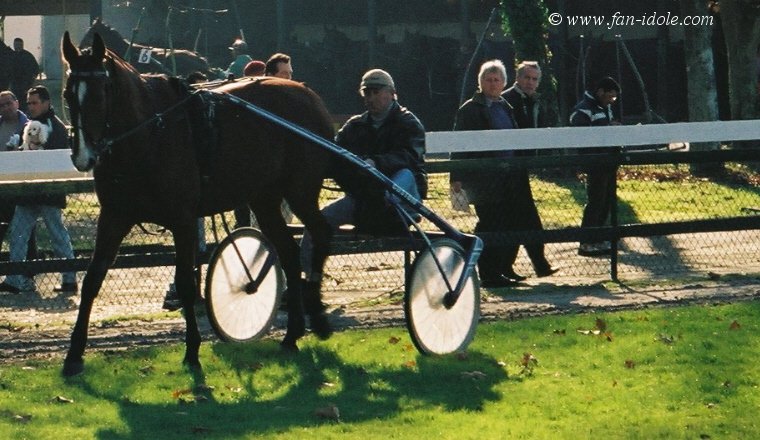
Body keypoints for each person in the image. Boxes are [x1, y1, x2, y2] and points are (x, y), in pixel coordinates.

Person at [300, 68, 427, 281]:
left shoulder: (408, 122)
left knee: (404, 174)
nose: (371, 97)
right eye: (366, 92)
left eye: (376, 91)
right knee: (317, 223)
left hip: (403, 195)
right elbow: (335, 154)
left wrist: (375, 162)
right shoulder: (354, 126)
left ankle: (390, 203)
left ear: (391, 92)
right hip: (365, 197)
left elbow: (410, 156)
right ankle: (308, 279)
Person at [451, 59, 553, 288]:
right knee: (490, 224)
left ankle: (501, 269)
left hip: (509, 176)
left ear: (504, 82)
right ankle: (488, 274)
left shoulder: (505, 106)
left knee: (507, 222)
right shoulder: (470, 109)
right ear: (481, 82)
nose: (493, 84)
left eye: (497, 80)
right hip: (483, 178)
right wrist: (456, 176)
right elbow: (459, 145)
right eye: (488, 79)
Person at [0, 86, 76, 294]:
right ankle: (15, 278)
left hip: (49, 189)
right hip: (30, 190)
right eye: (29, 103)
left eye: (34, 102)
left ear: (46, 102)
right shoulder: (33, 125)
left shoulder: (54, 126)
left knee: (57, 234)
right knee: (18, 233)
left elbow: (54, 157)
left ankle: (69, 278)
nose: (31, 106)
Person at [500, 61, 559, 278]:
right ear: (518, 78)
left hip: (522, 166)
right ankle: (533, 264)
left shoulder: (535, 101)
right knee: (522, 217)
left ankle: (531, 263)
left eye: (535, 79)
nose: (531, 82)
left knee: (523, 217)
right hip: (509, 167)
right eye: (527, 78)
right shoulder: (508, 100)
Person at [570, 76, 622, 257]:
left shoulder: (604, 108)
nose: (611, 101)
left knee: (606, 201)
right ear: (600, 92)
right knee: (596, 201)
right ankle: (587, 241)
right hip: (595, 162)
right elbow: (581, 135)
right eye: (610, 96)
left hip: (608, 161)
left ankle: (598, 238)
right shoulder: (583, 110)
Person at [0, 90, 37, 261]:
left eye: (9, 103)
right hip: (2, 184)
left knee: (27, 230)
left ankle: (28, 271)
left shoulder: (30, 126)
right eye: (2, 105)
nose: (6, 107)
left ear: (17, 103)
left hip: (23, 185)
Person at [10, 38, 40, 113]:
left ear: (22, 45)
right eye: (15, 44)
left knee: (25, 104)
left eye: (18, 44)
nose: (16, 46)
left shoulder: (28, 56)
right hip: (14, 85)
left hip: (26, 85)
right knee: (15, 103)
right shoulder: (11, 56)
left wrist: (32, 81)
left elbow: (36, 69)